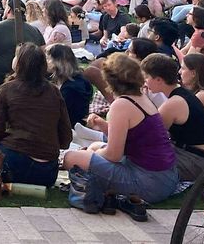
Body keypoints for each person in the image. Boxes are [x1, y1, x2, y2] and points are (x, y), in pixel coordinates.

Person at [63, 53, 179, 220]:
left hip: (148, 183)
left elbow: (113, 155)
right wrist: (103, 128)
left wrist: (92, 155)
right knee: (94, 146)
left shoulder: (122, 104)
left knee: (71, 158)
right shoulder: (141, 98)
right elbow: (133, 136)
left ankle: (105, 189)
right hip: (166, 177)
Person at [0, 43, 71, 187]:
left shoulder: (6, 90)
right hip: (47, 172)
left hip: (13, 164)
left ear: (19, 63)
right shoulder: (54, 92)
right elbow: (65, 136)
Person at [140, 53, 204, 181]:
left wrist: (142, 99)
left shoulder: (172, 104)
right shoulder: (183, 94)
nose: (145, 81)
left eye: (147, 77)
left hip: (196, 161)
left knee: (138, 158)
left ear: (159, 80)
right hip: (201, 156)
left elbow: (149, 137)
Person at [47, 43, 92, 127]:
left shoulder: (69, 89)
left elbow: (58, 116)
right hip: (79, 124)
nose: (46, 61)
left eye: (48, 58)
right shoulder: (81, 80)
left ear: (57, 62)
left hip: (70, 128)